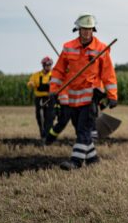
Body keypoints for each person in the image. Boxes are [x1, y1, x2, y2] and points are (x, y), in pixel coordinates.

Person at [49, 13, 118, 170]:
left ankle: (76, 161)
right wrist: (54, 90)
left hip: (91, 97)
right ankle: (92, 159)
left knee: (84, 129)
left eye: (90, 30)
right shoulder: (68, 47)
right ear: (78, 30)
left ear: (93, 30)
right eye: (84, 29)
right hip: (73, 98)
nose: (87, 32)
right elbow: (59, 71)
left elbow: (108, 74)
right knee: (79, 129)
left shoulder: (101, 49)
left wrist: (112, 96)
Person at [27, 56, 54, 139]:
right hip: (39, 98)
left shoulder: (54, 75)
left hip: (49, 98)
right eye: (47, 65)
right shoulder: (36, 75)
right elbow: (30, 83)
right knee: (39, 116)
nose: (49, 67)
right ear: (43, 65)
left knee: (49, 116)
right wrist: (31, 84)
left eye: (50, 65)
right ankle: (42, 132)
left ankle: (47, 133)